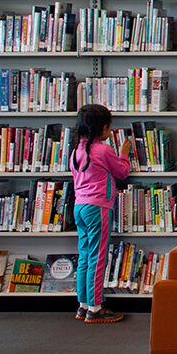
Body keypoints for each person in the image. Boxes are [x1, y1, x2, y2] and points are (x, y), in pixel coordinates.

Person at [69, 104, 134, 323]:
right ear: (104, 128)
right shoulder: (104, 150)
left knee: (85, 255)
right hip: (98, 207)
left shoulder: (76, 151)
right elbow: (122, 172)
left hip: (79, 207)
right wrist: (124, 155)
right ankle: (96, 308)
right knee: (98, 257)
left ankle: (83, 304)